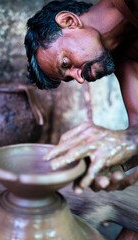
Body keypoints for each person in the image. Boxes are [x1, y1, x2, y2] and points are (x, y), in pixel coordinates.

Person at [24, 0, 138, 193]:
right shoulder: (126, 59)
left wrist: (128, 140)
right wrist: (112, 159)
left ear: (69, 21)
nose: (79, 78)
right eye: (69, 78)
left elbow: (132, 139)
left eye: (66, 63)